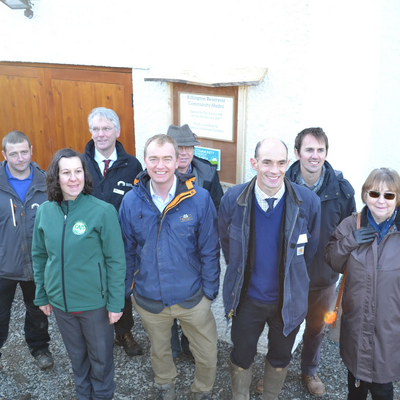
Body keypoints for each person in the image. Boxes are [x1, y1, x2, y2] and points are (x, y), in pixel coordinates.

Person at [119, 134, 220, 400]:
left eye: (166, 158)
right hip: (149, 297)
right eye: (154, 158)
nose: (160, 165)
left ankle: (203, 390)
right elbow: (127, 250)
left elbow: (210, 248)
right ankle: (166, 384)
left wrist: (209, 290)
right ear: (145, 161)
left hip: (192, 296)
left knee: (207, 352)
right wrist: (129, 288)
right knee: (160, 350)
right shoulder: (131, 202)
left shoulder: (200, 199)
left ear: (178, 161)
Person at [255, 127, 356, 396]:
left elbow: (348, 232)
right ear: (297, 153)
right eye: (309, 149)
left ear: (326, 153)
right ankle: (275, 372)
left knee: (316, 328)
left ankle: (309, 370)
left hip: (322, 279)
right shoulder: (278, 183)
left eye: (320, 150)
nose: (315, 156)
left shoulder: (342, 192)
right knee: (282, 328)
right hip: (285, 275)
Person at [218, 138, 321, 400]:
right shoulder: (234, 199)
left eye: (280, 163)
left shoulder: (307, 202)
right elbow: (230, 248)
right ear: (254, 163)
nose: (274, 170)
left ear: (289, 163)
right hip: (247, 300)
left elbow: (307, 253)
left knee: (280, 356)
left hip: (287, 302)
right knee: (241, 354)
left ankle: (270, 396)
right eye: (267, 162)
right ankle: (239, 396)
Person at [32, 148, 126, 400]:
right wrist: (42, 295)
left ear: (85, 175)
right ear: (56, 177)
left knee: (101, 361)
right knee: (77, 359)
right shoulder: (44, 211)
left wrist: (116, 303)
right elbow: (40, 256)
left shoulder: (102, 211)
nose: (73, 178)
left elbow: (116, 261)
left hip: (94, 304)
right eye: (66, 172)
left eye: (78, 171)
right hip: (62, 305)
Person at [325, 167, 400, 400]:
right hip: (356, 325)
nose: (381, 201)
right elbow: (332, 260)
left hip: (390, 329)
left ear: (397, 200)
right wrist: (349, 241)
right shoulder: (351, 224)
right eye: (374, 193)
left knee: (382, 390)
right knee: (355, 387)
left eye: (389, 195)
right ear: (365, 195)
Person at [83, 107, 143, 357]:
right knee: (92, 286)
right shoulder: (80, 163)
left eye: (106, 128)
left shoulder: (133, 165)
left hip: (121, 242)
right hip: (87, 242)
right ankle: (97, 334)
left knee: (120, 285)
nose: (101, 134)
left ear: (117, 131)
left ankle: (124, 331)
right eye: (95, 129)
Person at [166, 123, 224, 359]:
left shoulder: (208, 172)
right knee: (166, 299)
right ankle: (170, 348)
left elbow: (218, 207)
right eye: (179, 146)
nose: (184, 152)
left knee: (193, 300)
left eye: (188, 146)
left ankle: (189, 343)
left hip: (196, 249)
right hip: (167, 248)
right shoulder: (157, 170)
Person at [0, 130, 53, 371]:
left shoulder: (47, 183)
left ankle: (40, 348)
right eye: (13, 154)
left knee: (37, 312)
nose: (20, 158)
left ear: (31, 151)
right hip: (3, 266)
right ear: (4, 155)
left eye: (24, 152)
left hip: (37, 264)